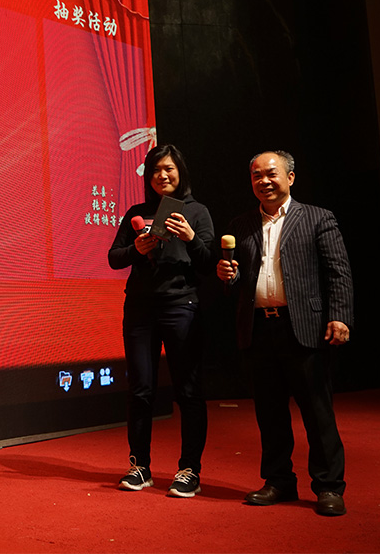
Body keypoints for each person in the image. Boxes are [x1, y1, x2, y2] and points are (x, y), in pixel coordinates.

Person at [216, 150, 353, 517]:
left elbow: (338, 271)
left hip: (303, 327)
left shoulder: (317, 218)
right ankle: (279, 481)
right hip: (258, 328)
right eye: (256, 175)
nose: (264, 181)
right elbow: (238, 282)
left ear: (290, 177)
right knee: (270, 413)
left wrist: (340, 317)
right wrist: (228, 277)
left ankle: (329, 486)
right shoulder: (241, 224)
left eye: (271, 173)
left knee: (317, 412)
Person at [108, 144, 215, 498]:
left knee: (188, 390)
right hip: (140, 310)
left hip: (182, 306)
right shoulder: (136, 213)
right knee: (140, 389)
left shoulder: (196, 212)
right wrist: (135, 250)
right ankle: (140, 466)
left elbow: (208, 262)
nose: (162, 175)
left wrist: (190, 237)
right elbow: (114, 257)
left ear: (180, 172)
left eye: (169, 169)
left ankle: (189, 469)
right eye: (155, 170)